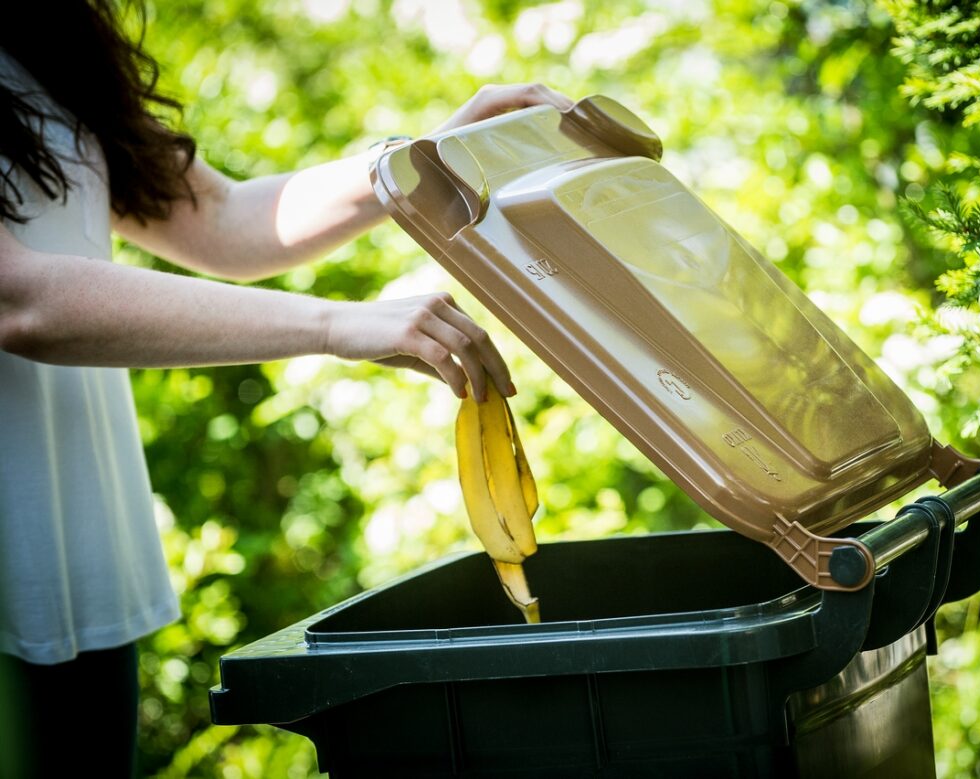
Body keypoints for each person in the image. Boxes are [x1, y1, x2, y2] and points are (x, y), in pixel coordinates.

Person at [0, 1, 572, 774]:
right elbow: (18, 299)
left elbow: (221, 218)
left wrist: (424, 158)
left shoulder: (44, 37)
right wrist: (337, 324)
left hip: (77, 557)